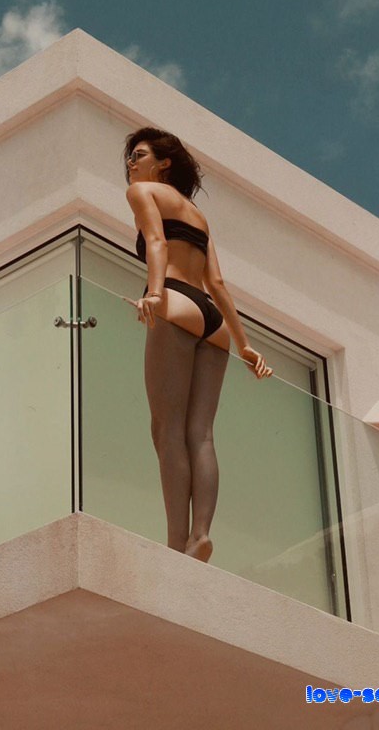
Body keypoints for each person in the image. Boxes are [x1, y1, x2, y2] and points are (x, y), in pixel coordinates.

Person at [123, 126, 272, 563]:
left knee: (166, 429)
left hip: (174, 301)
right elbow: (217, 283)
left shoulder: (142, 192)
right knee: (201, 434)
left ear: (163, 163)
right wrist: (245, 344)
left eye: (140, 154)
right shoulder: (198, 216)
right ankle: (201, 534)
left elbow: (156, 242)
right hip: (212, 319)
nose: (131, 162)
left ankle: (176, 545)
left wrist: (154, 293)